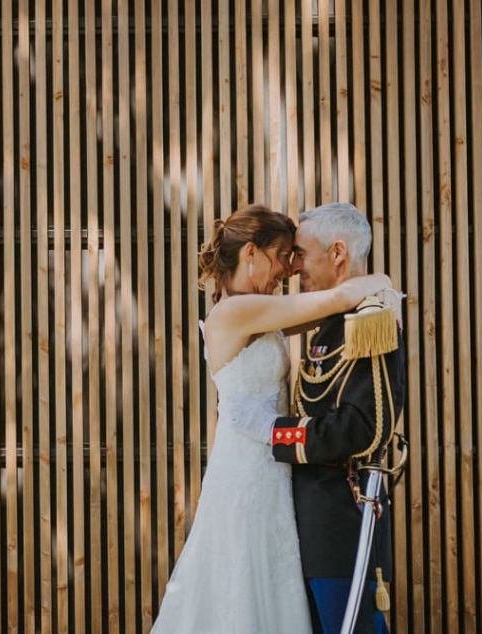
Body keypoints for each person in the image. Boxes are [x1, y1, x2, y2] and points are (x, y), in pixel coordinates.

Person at [151, 204, 394, 633]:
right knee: (242, 588)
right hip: (246, 469)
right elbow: (337, 299)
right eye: (283, 255)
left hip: (279, 466)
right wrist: (383, 283)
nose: (290, 268)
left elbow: (330, 311)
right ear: (251, 253)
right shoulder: (233, 313)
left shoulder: (262, 311)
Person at [270, 202, 407, 633]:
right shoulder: (332, 320)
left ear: (337, 254)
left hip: (341, 517)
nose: (294, 268)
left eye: (301, 254)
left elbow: (366, 428)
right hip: (311, 516)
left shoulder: (371, 320)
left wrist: (277, 435)